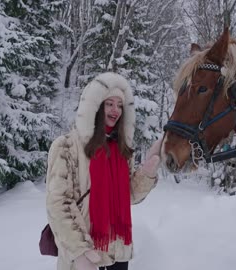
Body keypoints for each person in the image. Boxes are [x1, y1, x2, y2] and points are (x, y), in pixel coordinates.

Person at [46, 72, 162, 270]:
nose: (115, 110)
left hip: (118, 252)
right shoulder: (67, 146)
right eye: (109, 103)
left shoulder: (121, 150)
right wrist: (80, 251)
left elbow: (128, 197)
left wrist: (146, 173)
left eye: (119, 105)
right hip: (86, 254)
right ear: (96, 106)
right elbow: (58, 203)